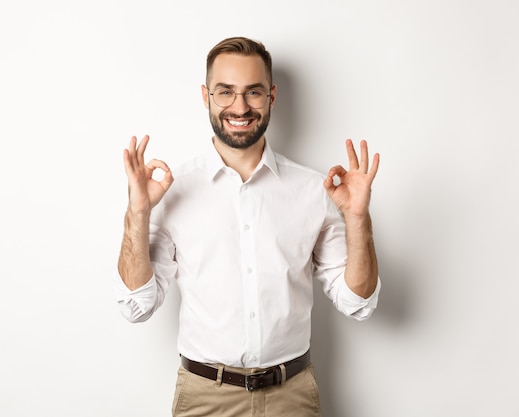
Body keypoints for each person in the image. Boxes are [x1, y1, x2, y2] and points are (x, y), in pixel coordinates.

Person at [114, 36, 381, 417]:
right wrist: (137, 213)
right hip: (206, 398)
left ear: (271, 96)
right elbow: (135, 306)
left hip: (293, 396)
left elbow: (358, 303)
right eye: (225, 92)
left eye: (253, 92)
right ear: (206, 96)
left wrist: (358, 220)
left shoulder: (312, 190)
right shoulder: (171, 191)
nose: (239, 107)